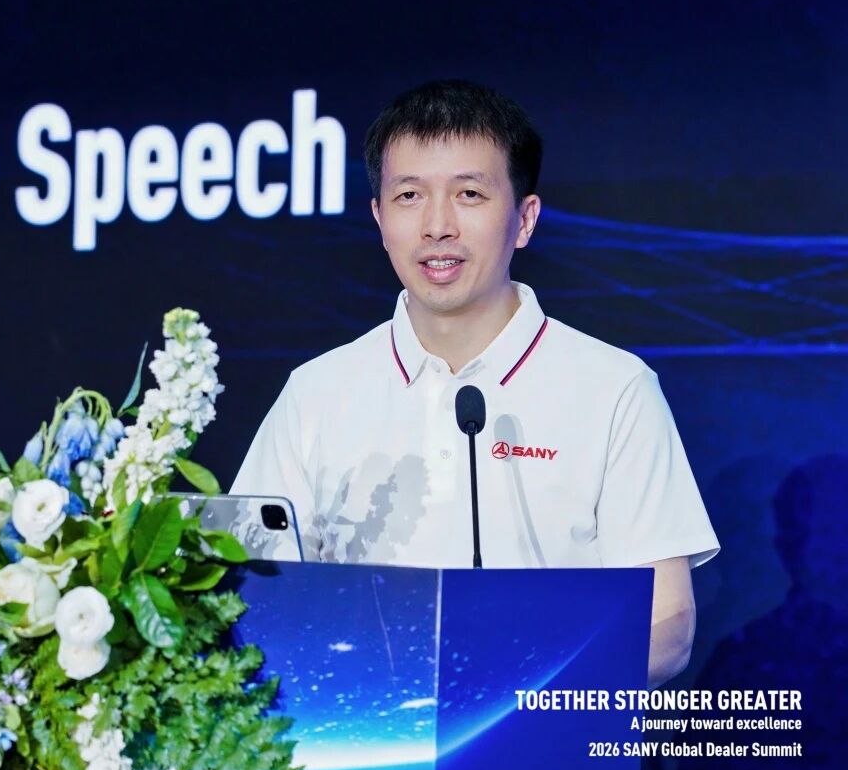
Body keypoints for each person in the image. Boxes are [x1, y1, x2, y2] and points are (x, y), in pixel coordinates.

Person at [230, 80, 719, 687]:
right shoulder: (315, 394)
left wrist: (508, 698)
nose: (438, 226)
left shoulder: (614, 389)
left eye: (469, 194)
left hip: (543, 731)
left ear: (525, 219)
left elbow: (666, 622)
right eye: (409, 196)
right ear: (379, 218)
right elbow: (246, 599)